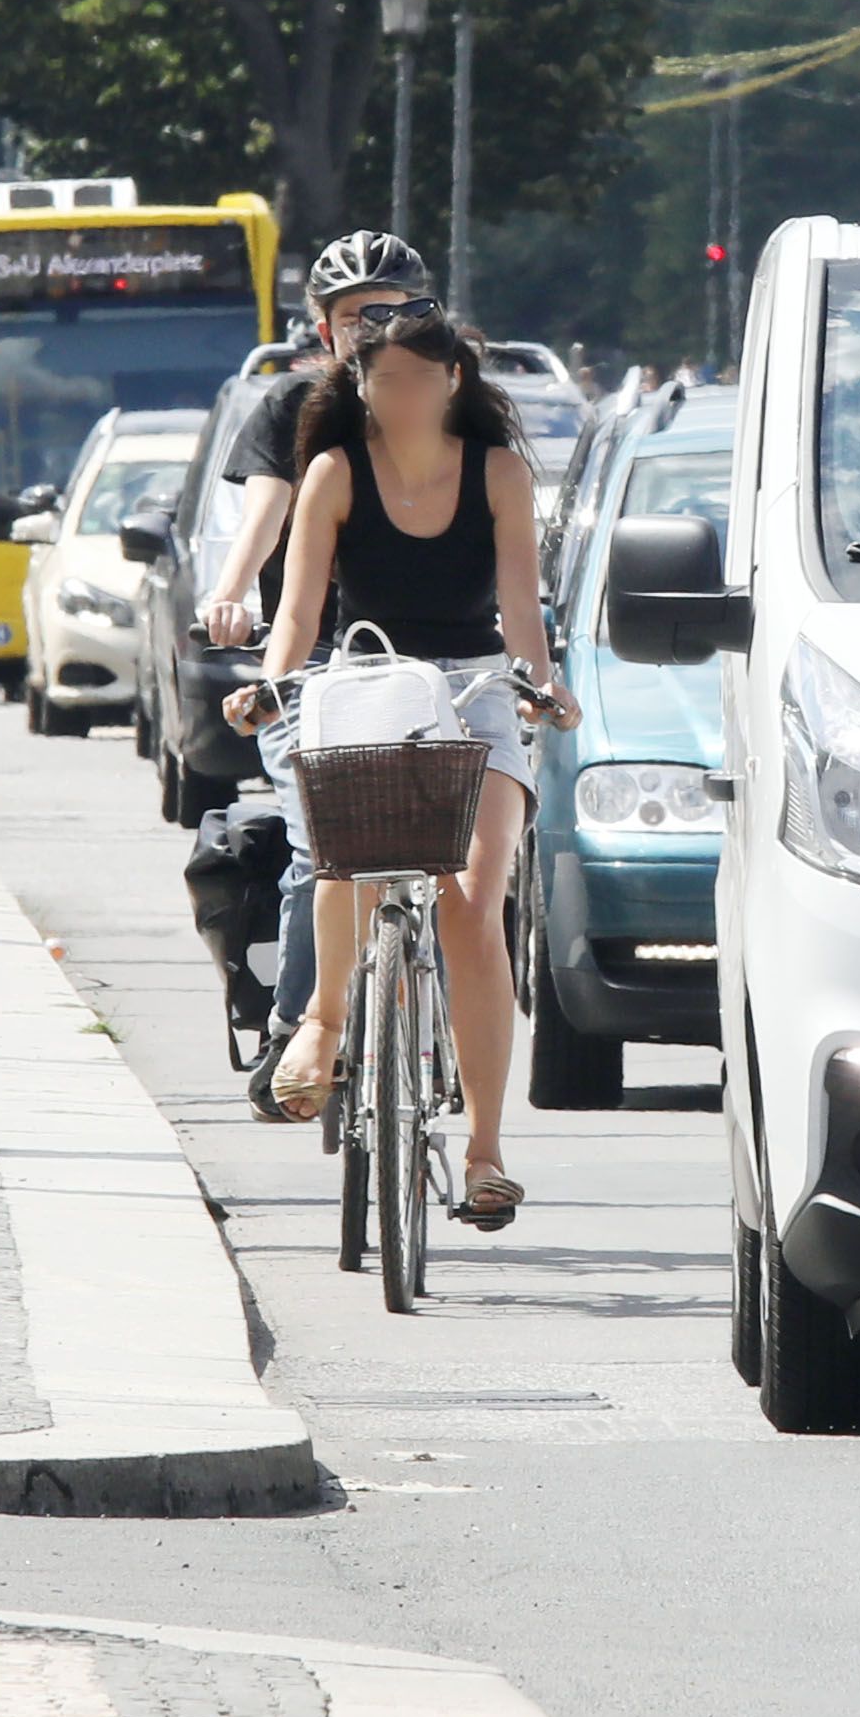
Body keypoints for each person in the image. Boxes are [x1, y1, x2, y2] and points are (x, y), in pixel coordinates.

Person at [234, 310, 568, 1220]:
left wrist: (541, 688)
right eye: (387, 381)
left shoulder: (497, 472)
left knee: (471, 896)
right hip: (367, 676)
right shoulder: (334, 474)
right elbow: (299, 618)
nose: (406, 395)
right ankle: (322, 1025)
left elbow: (521, 617)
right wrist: (270, 686)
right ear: (360, 384)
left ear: (456, 379)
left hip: (474, 688)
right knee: (347, 850)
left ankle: (487, 1152)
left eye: (424, 378)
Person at [208, 233, 436, 1073]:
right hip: (315, 672)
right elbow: (264, 510)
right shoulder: (293, 409)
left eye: (392, 311)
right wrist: (232, 591)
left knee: (466, 850)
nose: (373, 328)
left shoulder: (452, 405)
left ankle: (431, 1009)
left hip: (431, 672)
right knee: (322, 839)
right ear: (323, 329)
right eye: (352, 317)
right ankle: (296, 1029)